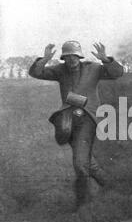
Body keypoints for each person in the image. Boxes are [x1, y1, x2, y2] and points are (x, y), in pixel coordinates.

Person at [29, 40, 123, 207]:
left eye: (74, 56)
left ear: (79, 56)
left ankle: (83, 205)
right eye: (67, 57)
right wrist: (44, 59)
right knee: (88, 162)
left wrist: (106, 59)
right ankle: (113, 188)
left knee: (80, 164)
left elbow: (116, 73)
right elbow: (36, 72)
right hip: (67, 121)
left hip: (87, 118)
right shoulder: (59, 70)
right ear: (64, 58)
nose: (71, 60)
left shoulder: (93, 68)